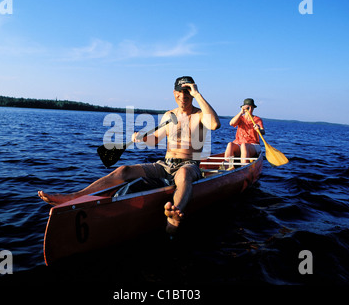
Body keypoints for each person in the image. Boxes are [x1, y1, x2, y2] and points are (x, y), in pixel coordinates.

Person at [38, 76, 221, 233]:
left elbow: (214, 125)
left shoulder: (200, 115)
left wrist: (198, 93)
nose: (184, 96)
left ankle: (174, 213)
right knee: (124, 170)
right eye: (180, 92)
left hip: (188, 164)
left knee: (184, 175)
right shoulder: (168, 115)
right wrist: (142, 138)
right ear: (175, 94)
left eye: (188, 92)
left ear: (192, 93)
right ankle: (75, 196)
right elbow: (155, 140)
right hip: (165, 164)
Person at [224, 98, 264, 167]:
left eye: (250, 107)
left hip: (253, 145)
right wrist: (241, 112)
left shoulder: (257, 119)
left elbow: (263, 132)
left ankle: (244, 167)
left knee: (244, 146)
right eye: (247, 107)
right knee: (230, 144)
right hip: (239, 143)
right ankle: (229, 166)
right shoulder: (240, 118)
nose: (249, 109)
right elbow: (231, 123)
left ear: (253, 108)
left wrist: (259, 129)